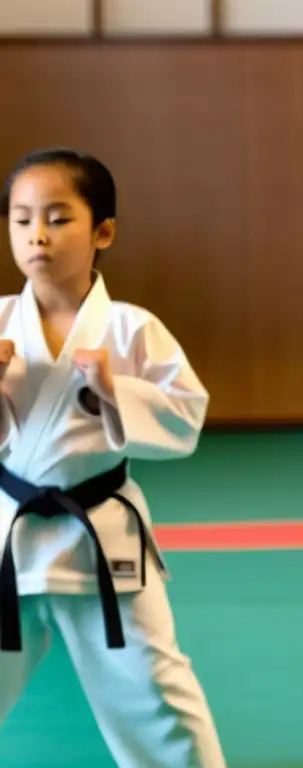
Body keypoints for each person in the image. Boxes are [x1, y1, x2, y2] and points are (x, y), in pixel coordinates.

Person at [0, 148, 226, 767]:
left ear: (103, 231)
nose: (37, 234)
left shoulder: (130, 329)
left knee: (154, 695)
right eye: (21, 220)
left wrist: (114, 391)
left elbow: (185, 420)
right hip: (8, 537)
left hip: (100, 539)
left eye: (57, 217)